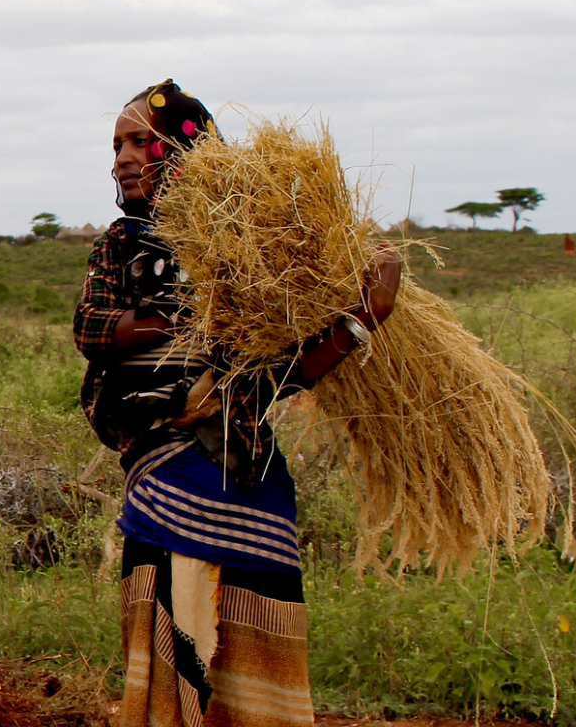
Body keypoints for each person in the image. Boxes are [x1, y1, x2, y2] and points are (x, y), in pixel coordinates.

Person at [74, 80, 401, 727]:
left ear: (189, 146)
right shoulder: (121, 246)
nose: (123, 157)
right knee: (172, 674)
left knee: (254, 692)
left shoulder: (246, 256)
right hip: (172, 479)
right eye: (117, 145)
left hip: (252, 487)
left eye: (141, 140)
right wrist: (186, 317)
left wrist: (364, 316)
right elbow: (91, 331)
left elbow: (281, 372)